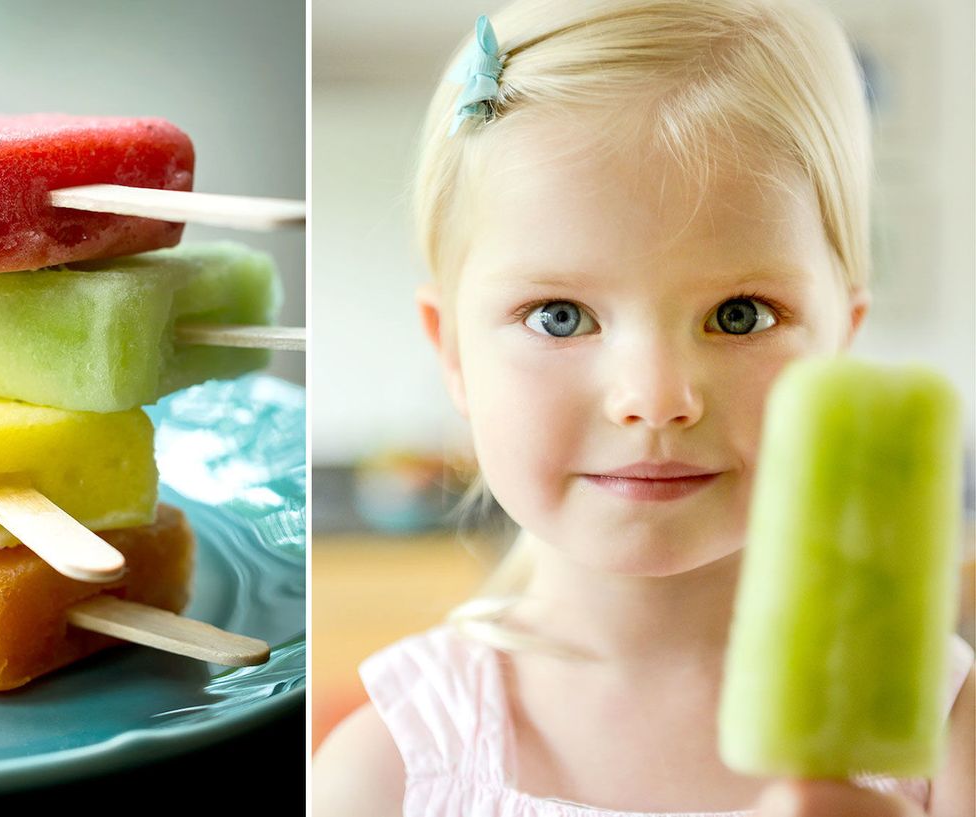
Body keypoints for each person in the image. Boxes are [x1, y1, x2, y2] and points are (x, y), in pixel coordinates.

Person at [312, 1, 974, 814]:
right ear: (452, 351)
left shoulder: (947, 736)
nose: (656, 398)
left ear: (841, 343)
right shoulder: (383, 772)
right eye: (560, 315)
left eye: (740, 314)